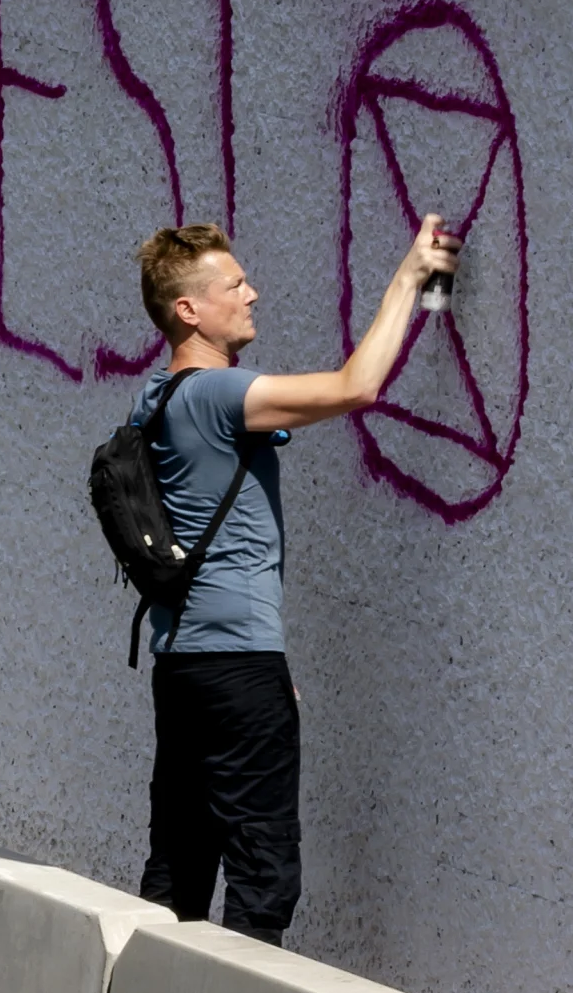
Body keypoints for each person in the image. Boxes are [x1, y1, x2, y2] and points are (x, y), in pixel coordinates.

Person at [127, 213, 461, 938]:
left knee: (178, 868)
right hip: (236, 666)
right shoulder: (218, 395)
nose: (252, 294)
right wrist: (408, 278)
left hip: (182, 665)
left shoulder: (156, 398)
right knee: (263, 876)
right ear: (189, 309)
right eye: (234, 285)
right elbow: (356, 386)